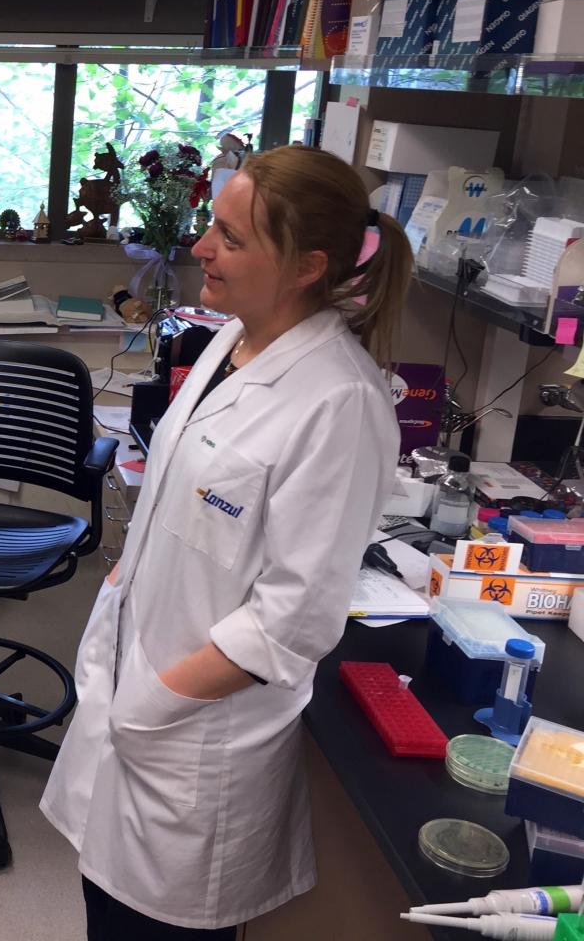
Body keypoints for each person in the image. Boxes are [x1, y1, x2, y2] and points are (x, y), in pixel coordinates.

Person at [41, 145, 413, 938]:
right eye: (212, 225)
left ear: (310, 266)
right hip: (134, 687)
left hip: (191, 733)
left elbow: (295, 619)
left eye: (233, 239)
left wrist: (154, 700)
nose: (202, 247)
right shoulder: (228, 341)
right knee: (102, 911)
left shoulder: (339, 402)